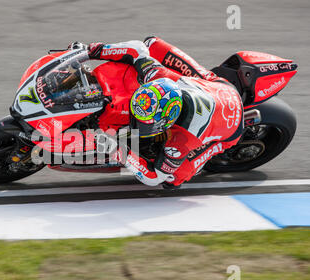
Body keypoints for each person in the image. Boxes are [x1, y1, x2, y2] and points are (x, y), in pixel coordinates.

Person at [69, 37, 244, 188]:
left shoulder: (181, 141)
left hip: (231, 128)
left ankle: (218, 148)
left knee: (172, 178)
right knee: (153, 43)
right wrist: (89, 51)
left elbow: (154, 177)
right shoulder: (158, 76)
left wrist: (118, 150)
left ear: (167, 122)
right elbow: (137, 49)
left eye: (146, 122)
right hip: (218, 85)